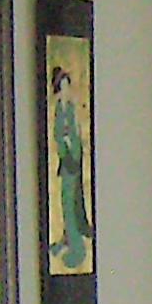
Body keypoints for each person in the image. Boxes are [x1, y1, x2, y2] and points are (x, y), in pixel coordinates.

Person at [49, 66, 90, 272]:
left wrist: (75, 146)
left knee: (74, 197)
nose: (66, 90)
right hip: (67, 158)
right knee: (67, 199)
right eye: (63, 86)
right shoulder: (60, 109)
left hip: (75, 154)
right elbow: (59, 134)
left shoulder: (71, 107)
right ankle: (71, 240)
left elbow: (75, 131)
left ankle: (74, 237)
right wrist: (65, 148)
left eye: (67, 85)